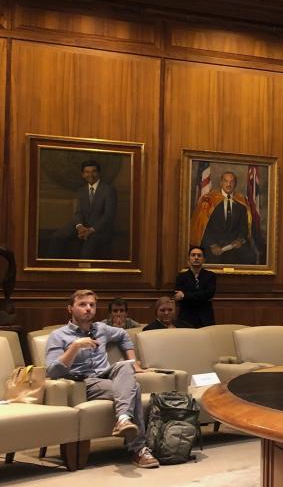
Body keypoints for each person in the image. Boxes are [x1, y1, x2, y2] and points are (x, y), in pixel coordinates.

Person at [44, 290, 158, 468]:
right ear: (70, 308)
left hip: (106, 375)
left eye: (92, 305)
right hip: (83, 383)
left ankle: (123, 419)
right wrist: (74, 348)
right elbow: (52, 371)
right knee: (133, 387)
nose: (88, 308)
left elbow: (123, 335)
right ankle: (138, 448)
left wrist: (134, 362)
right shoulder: (58, 336)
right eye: (82, 305)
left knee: (125, 366)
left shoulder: (101, 329)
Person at [49, 159, 117, 259]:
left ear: (98, 173)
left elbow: (108, 216)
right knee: (56, 237)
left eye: (94, 171)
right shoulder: (81, 190)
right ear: (83, 175)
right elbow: (78, 212)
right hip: (81, 225)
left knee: (86, 253)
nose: (91, 174)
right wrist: (80, 226)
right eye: (87, 172)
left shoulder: (108, 190)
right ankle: (52, 269)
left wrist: (91, 230)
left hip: (99, 229)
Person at [190, 171, 255, 265]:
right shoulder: (208, 200)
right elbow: (202, 226)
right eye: (226, 181)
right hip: (213, 244)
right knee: (211, 261)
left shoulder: (241, 201)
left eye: (232, 182)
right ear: (221, 183)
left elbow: (244, 226)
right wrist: (212, 245)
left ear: (235, 184)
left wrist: (240, 239)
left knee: (250, 257)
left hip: (233, 245)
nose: (229, 184)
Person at [174, 246, 216, 327]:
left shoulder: (210, 276)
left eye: (199, 255)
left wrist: (185, 295)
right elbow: (178, 298)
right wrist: (200, 295)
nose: (196, 258)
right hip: (186, 319)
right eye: (193, 255)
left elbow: (209, 294)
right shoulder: (181, 277)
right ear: (189, 259)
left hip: (205, 319)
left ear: (204, 259)